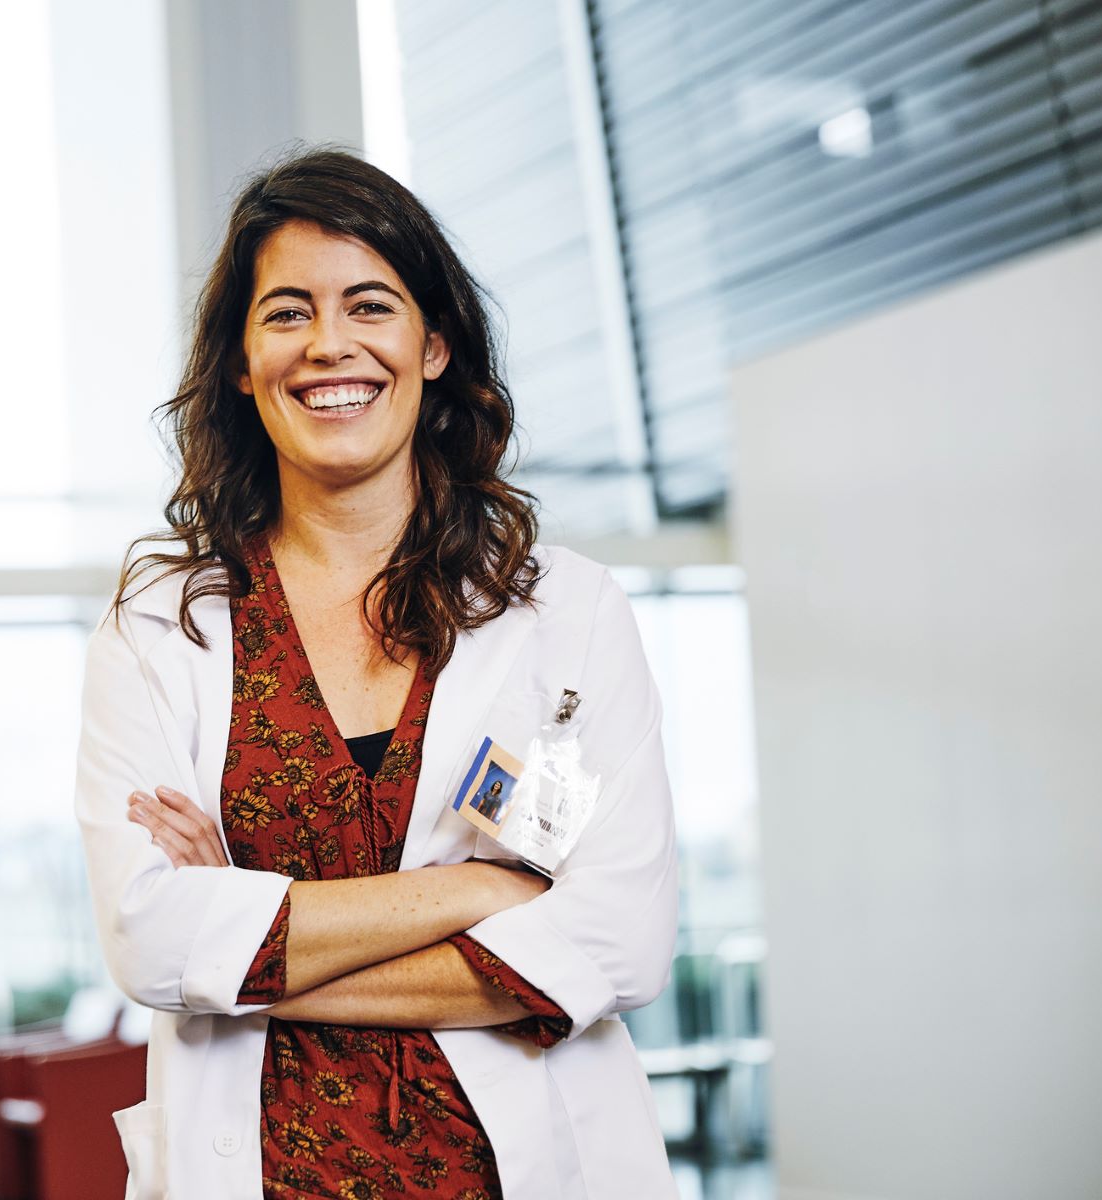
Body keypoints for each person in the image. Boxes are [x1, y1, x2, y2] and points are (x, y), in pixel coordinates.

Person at [73, 147, 679, 1199]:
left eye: (369, 305)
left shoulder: (566, 612)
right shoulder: (163, 628)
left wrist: (250, 950)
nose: (330, 346)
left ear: (433, 345)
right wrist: (478, 890)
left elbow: (620, 942)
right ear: (238, 361)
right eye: (287, 314)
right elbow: (154, 940)